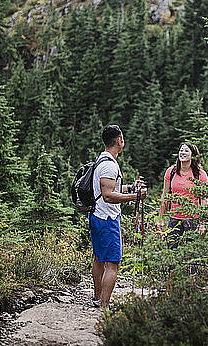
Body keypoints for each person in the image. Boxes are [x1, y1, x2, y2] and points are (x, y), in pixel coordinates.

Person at [90, 125, 147, 308]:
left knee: (99, 258)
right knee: (113, 263)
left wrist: (130, 188)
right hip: (107, 219)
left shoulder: (103, 160)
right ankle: (104, 305)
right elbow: (108, 195)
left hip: (97, 216)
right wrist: (135, 196)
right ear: (118, 141)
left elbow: (107, 190)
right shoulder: (108, 164)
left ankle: (98, 298)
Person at [159, 142, 208, 252]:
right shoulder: (171, 171)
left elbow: (204, 199)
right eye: (181, 150)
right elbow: (165, 195)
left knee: (192, 254)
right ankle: (171, 270)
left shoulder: (200, 174)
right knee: (171, 252)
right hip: (174, 219)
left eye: (186, 151)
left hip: (192, 219)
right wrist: (160, 218)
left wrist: (202, 223)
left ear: (193, 155)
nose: (182, 153)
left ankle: (193, 270)